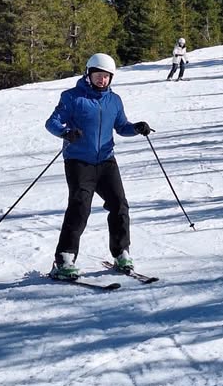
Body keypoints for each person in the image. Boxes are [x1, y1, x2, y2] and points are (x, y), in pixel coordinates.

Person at [45, 53, 151, 279]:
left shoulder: (114, 100)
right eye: (98, 76)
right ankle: (64, 258)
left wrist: (137, 128)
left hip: (106, 161)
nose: (102, 80)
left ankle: (121, 252)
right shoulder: (72, 97)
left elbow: (121, 126)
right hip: (78, 161)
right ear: (89, 74)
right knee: (79, 208)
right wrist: (66, 133)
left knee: (119, 205)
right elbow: (52, 122)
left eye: (106, 77)